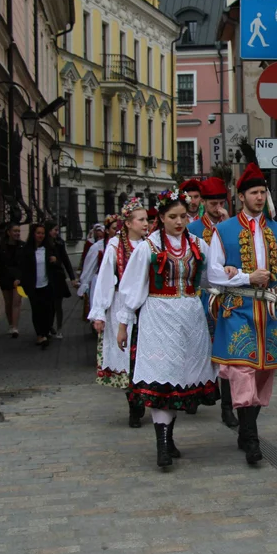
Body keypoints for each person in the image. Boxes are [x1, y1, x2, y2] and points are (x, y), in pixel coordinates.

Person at [207, 162, 277, 466]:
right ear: (241, 196)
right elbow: (213, 274)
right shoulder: (223, 230)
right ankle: (251, 437)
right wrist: (246, 278)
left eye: (263, 192)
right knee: (242, 372)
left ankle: (246, 429)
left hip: (269, 310)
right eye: (254, 192)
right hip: (238, 308)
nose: (260, 197)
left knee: (263, 375)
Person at [115, 189, 217, 469]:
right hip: (158, 317)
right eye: (172, 216)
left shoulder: (197, 244)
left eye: (183, 216)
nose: (179, 221)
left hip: (190, 319)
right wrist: (123, 325)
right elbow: (133, 289)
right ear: (160, 217)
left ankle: (168, 438)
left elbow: (213, 277)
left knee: (180, 380)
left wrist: (242, 276)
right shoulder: (148, 248)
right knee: (162, 379)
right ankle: (162, 445)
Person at [89, 199, 149, 428]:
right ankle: (134, 402)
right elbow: (104, 279)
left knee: (143, 353)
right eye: (141, 220)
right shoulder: (115, 246)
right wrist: (99, 313)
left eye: (146, 220)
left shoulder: (149, 244)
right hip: (120, 304)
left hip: (145, 305)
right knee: (125, 355)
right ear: (128, 222)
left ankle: (142, 396)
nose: (145, 224)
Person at [189, 176, 238, 427]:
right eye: (212, 203)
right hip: (201, 296)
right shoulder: (193, 229)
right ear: (204, 204)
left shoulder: (232, 226)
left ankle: (228, 407)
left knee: (228, 351)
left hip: (228, 296)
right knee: (200, 348)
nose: (217, 207)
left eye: (220, 202)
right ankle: (195, 392)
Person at [13, 223, 58, 348]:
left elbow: (57, 261)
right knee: (37, 310)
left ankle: (45, 330)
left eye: (42, 233)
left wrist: (55, 260)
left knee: (48, 309)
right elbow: (21, 266)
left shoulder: (48, 248)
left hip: (47, 284)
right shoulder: (27, 250)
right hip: (33, 285)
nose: (40, 235)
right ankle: (40, 335)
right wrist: (18, 278)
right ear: (33, 234)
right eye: (38, 233)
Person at [78, 216, 118, 324]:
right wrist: (84, 284)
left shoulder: (124, 245)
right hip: (100, 282)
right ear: (107, 230)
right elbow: (89, 266)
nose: (117, 231)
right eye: (114, 228)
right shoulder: (98, 247)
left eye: (119, 228)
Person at [0, 222, 23, 338]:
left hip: (19, 278)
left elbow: (27, 263)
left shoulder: (23, 246)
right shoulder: (1, 246)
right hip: (5, 276)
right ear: (8, 233)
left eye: (18, 231)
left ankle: (15, 327)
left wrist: (21, 277)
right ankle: (10, 324)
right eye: (15, 231)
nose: (17, 233)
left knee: (16, 302)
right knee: (8, 302)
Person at [45, 221, 78, 339]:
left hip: (58, 277)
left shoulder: (59, 243)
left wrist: (72, 277)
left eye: (57, 230)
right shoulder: (43, 244)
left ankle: (59, 328)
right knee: (49, 305)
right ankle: (49, 327)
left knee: (58, 305)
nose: (56, 232)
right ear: (49, 230)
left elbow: (65, 260)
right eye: (55, 230)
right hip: (47, 278)